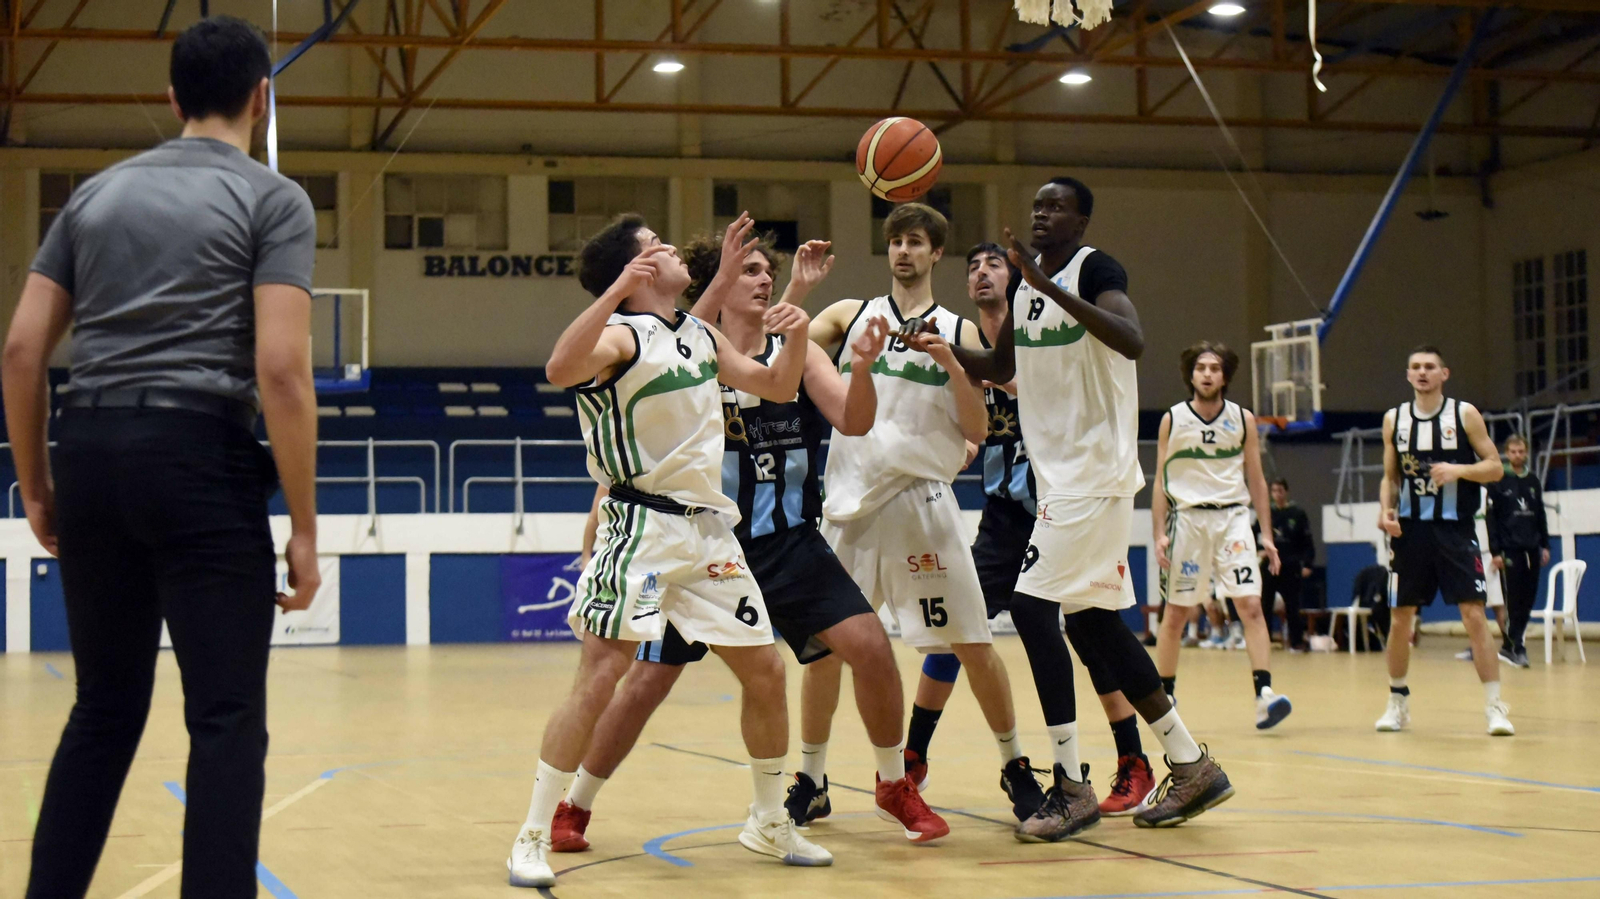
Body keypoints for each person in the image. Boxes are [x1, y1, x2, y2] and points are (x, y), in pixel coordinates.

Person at [2, 17, 321, 898]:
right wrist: (303, 526)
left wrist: (36, 486)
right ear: (262, 96)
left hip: (91, 449)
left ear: (172, 98)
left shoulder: (93, 196)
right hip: (199, 455)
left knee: (102, 707)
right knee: (224, 717)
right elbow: (283, 370)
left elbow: (23, 351)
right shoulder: (273, 198)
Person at [545, 217, 948, 851]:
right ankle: (576, 803)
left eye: (768, 272)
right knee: (645, 681)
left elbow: (849, 416)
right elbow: (643, 427)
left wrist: (858, 361)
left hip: (786, 540)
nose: (763, 280)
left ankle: (889, 782)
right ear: (719, 283)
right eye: (749, 271)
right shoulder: (687, 342)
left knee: (865, 647)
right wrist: (601, 517)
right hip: (698, 537)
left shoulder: (793, 344)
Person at [508, 214, 828, 888]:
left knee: (766, 671)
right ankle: (534, 829)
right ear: (640, 270)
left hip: (708, 535)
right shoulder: (621, 335)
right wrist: (617, 287)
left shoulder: (700, 334)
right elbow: (559, 366)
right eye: (658, 244)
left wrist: (794, 340)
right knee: (601, 676)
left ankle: (768, 820)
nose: (675, 247)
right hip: (643, 534)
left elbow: (774, 386)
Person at [942, 176, 1233, 839]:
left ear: (1081, 219)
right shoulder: (1025, 284)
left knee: (1032, 606)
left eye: (1056, 206)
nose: (1042, 213)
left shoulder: (1094, 269)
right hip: (1064, 479)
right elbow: (998, 363)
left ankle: (1070, 783)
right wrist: (937, 349)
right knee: (1096, 624)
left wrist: (1050, 289)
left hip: (1090, 475)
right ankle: (1190, 762)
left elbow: (1132, 339)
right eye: (1036, 204)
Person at [806, 205, 1047, 823]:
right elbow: (784, 357)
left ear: (937, 254)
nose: (904, 251)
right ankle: (810, 778)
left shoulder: (959, 330)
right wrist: (797, 290)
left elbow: (977, 427)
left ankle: (1015, 767)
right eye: (895, 242)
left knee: (972, 643)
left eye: (915, 242)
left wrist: (949, 365)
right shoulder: (848, 316)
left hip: (922, 504)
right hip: (849, 510)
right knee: (825, 652)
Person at [901, 243, 1155, 819]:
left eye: (994, 263)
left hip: (1062, 500)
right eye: (973, 267)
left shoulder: (1042, 338)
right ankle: (913, 757)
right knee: (957, 626)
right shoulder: (970, 345)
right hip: (1002, 510)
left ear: (1019, 279)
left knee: (1089, 627)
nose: (982, 273)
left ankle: (1130, 760)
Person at [1374, 346, 1512, 737]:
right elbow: (1390, 477)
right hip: (1411, 532)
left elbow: (1496, 468)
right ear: (1407, 375)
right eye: (1415, 367)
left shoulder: (1464, 414)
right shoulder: (1393, 420)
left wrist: (1459, 470)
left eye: (1429, 367)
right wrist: (1386, 510)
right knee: (1401, 619)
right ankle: (1397, 701)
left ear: (1444, 374)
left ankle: (1494, 706)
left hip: (1456, 530)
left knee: (1474, 615)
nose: (1422, 372)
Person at [1153, 343, 1290, 730]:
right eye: (1201, 368)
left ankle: (1264, 695)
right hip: (1189, 521)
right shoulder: (1173, 419)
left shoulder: (1243, 419)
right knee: (1178, 612)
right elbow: (1161, 481)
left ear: (1225, 376)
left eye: (1215, 368)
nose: (1208, 374)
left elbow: (1257, 480)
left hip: (1232, 520)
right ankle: (1164, 697)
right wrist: (1159, 533)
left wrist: (1266, 534)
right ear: (1191, 375)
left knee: (1250, 606)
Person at [1486, 434, 1549, 669]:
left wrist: (1545, 544)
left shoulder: (1533, 481)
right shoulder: (1498, 480)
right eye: (1513, 451)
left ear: (1526, 452)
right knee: (1513, 599)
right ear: (1506, 453)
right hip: (1509, 550)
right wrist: (1495, 551)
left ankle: (1511, 645)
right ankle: (1515, 646)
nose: (1517, 455)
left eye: (1521, 451)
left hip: (1532, 548)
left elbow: (1540, 514)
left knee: (1528, 598)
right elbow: (1491, 519)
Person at [1261, 479, 1315, 652]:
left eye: (1280, 490)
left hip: (1290, 564)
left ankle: (1296, 641)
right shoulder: (1266, 512)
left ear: (1286, 492)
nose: (1277, 494)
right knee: (1265, 603)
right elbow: (1256, 534)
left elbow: (1307, 541)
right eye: (1274, 490)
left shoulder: (1297, 513)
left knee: (1292, 604)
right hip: (1269, 565)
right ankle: (1264, 640)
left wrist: (1307, 564)